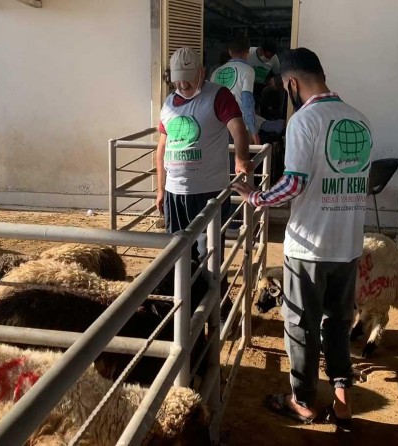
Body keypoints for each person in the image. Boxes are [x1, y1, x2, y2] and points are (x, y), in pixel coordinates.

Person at [232, 48, 373, 431]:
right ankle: (342, 403)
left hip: (310, 246)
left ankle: (303, 402)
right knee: (338, 324)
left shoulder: (304, 120)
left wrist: (256, 197)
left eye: (285, 87)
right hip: (347, 243)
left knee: (301, 325)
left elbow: (293, 183)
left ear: (292, 84)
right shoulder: (359, 120)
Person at [156, 46, 252, 325]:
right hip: (175, 192)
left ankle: (218, 308)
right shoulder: (169, 103)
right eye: (178, 81)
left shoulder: (218, 96)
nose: (183, 86)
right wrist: (160, 188)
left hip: (208, 191)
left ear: (202, 73)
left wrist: (241, 159)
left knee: (209, 254)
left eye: (188, 80)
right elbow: (162, 148)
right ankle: (184, 307)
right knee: (176, 252)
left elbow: (238, 128)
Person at [211, 34, 259, 145]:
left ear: (230, 52)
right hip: (239, 126)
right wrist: (254, 132)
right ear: (248, 52)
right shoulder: (248, 70)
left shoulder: (216, 72)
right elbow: (247, 103)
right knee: (240, 156)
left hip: (218, 127)